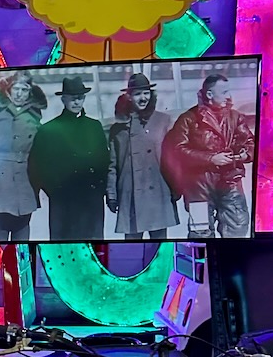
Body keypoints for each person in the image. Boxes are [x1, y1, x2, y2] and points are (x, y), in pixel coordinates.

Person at [161, 73, 255, 238]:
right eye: (224, 92)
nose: (229, 96)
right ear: (210, 94)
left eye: (229, 91)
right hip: (198, 187)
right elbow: (177, 151)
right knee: (201, 233)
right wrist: (210, 158)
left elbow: (250, 144)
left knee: (237, 229)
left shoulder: (235, 117)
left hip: (230, 181)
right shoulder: (188, 120)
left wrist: (242, 155)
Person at [27, 76, 109, 240]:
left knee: (93, 245)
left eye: (80, 98)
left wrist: (100, 189)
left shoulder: (94, 126)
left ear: (84, 98)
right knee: (63, 246)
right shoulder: (49, 130)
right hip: (63, 201)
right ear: (64, 99)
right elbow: (37, 165)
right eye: (72, 98)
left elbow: (105, 161)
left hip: (91, 200)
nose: (76, 102)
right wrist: (53, 190)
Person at [106, 72, 179, 240]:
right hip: (130, 195)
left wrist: (177, 186)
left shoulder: (163, 121)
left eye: (146, 93)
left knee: (160, 245)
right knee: (131, 245)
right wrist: (111, 194)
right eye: (137, 94)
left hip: (158, 193)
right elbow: (112, 166)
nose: (143, 98)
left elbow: (174, 158)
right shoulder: (119, 129)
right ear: (129, 96)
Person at [0, 70, 47, 242]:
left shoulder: (34, 115)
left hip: (25, 182)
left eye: (25, 89)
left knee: (22, 235)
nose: (20, 94)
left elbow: (39, 152)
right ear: (8, 89)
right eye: (16, 89)